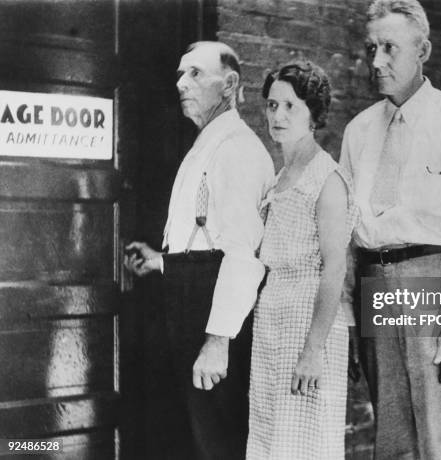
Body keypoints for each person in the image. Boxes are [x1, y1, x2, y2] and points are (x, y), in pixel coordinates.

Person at [340, 0, 441, 458]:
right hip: (374, 280)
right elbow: (349, 234)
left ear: (423, 49)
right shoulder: (358, 131)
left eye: (389, 48)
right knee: (390, 439)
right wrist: (347, 320)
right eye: (371, 48)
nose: (376, 61)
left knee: (439, 437)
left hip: (432, 282)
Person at [124, 41, 274, 459]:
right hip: (192, 295)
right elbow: (203, 239)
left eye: (194, 73)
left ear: (229, 85)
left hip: (213, 311)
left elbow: (242, 256)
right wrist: (161, 261)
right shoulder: (208, 143)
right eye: (179, 74)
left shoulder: (238, 149)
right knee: (191, 435)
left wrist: (218, 341)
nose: (181, 83)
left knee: (215, 439)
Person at [246, 61, 357, 460]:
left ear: (313, 112)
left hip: (309, 322)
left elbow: (335, 269)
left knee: (305, 443)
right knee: (268, 437)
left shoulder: (327, 179)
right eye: (272, 106)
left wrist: (313, 350)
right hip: (273, 315)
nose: (278, 115)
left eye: (290, 106)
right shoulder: (280, 177)